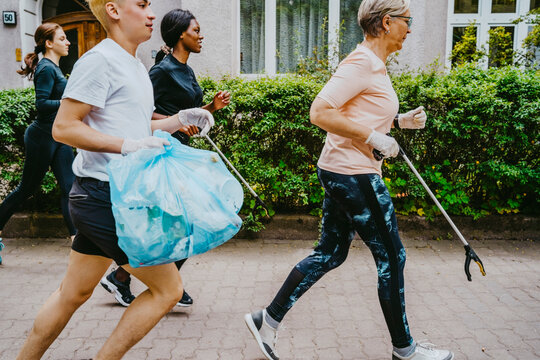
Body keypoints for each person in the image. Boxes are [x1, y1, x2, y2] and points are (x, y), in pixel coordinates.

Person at [244, 1, 454, 359]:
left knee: (330, 253)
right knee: (392, 256)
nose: (411, 28)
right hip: (353, 173)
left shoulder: (375, 65)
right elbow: (320, 111)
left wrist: (399, 122)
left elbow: (359, 112)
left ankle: (268, 319)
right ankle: (405, 350)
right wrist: (373, 139)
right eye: (408, 21)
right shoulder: (361, 63)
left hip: (341, 169)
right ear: (387, 22)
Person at [15, 0, 213, 358]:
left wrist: (178, 118)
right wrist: (129, 146)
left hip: (107, 194)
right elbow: (63, 127)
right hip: (106, 196)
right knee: (167, 291)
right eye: (141, 4)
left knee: (71, 294)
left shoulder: (134, 65)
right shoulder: (99, 60)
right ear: (114, 10)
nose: (152, 13)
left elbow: (134, 126)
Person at [100, 8, 231, 309]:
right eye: (196, 30)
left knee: (181, 223)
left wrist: (212, 106)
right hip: (160, 153)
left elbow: (192, 113)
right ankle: (147, 280)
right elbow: (140, 113)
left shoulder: (187, 71)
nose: (201, 36)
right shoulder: (161, 71)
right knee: (185, 221)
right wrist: (174, 121)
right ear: (181, 35)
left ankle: (124, 277)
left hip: (180, 152)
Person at [0, 23, 76, 259]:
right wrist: (69, 101)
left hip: (60, 135)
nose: (68, 42)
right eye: (63, 38)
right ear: (49, 43)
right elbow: (41, 105)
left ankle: (76, 241)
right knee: (26, 189)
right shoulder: (45, 68)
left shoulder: (54, 67)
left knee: (69, 188)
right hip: (42, 137)